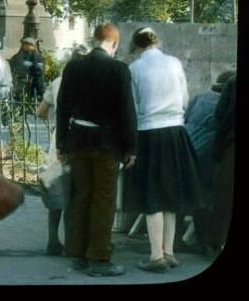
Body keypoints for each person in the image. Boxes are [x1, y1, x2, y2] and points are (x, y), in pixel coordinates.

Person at [56, 23, 137, 277]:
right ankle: (99, 258)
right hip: (106, 144)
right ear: (114, 43)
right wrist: (130, 147)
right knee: (103, 200)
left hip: (78, 140)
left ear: (95, 39)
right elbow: (127, 111)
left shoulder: (74, 66)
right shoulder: (118, 68)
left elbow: (62, 106)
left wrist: (61, 143)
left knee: (81, 196)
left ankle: (77, 253)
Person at [122, 27, 205, 273]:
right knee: (171, 194)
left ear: (136, 45)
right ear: (157, 42)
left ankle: (156, 255)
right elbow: (184, 99)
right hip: (175, 132)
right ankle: (169, 252)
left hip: (148, 133)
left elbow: (133, 107)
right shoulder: (174, 63)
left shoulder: (134, 69)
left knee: (152, 196)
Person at [36, 44, 88, 257]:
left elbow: (41, 111)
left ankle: (52, 240)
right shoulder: (90, 82)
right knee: (78, 190)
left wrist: (55, 120)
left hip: (60, 136)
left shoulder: (58, 81)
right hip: (82, 136)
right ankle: (73, 242)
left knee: (57, 188)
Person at [182, 69, 232, 254]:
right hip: (206, 154)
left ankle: (179, 239)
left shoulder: (199, 97)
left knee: (185, 195)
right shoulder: (224, 102)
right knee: (205, 197)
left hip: (186, 149)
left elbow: (185, 118)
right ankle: (202, 242)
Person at [206, 71, 236, 256]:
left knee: (224, 197)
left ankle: (215, 244)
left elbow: (221, 115)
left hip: (232, 144)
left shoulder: (233, 82)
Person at [9, 36, 45, 102]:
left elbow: (38, 69)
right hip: (20, 81)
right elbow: (15, 63)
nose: (26, 46)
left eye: (29, 44)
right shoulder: (20, 55)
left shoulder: (36, 57)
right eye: (25, 44)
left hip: (33, 82)